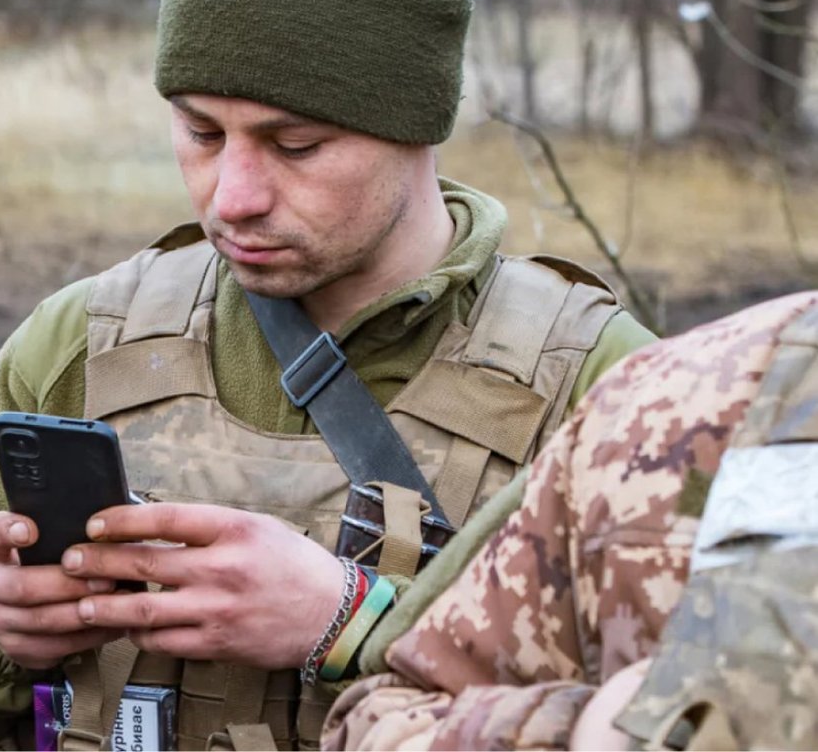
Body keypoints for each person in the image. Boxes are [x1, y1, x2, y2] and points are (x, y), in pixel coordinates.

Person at [0, 0, 656, 748]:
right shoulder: (78, 342)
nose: (232, 197)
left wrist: (354, 622)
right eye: (201, 133)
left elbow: (695, 715)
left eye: (294, 143)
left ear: (416, 123)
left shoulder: (607, 386)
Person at [318, 292, 818, 751]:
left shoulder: (599, 349)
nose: (239, 207)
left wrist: (353, 615)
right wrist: (584, 730)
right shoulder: (679, 400)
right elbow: (398, 711)